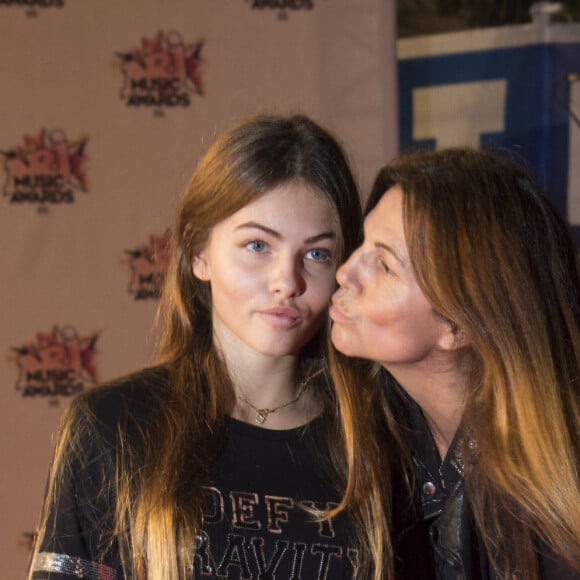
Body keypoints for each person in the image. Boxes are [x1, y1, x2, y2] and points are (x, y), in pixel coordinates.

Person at [29, 113, 367, 579]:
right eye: (257, 246)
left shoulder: (372, 436)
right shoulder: (113, 426)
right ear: (198, 253)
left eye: (316, 254)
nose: (286, 282)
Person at [329, 147, 580, 580]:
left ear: (458, 326)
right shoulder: (370, 428)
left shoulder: (554, 504)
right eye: (362, 244)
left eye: (384, 265)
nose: (345, 271)